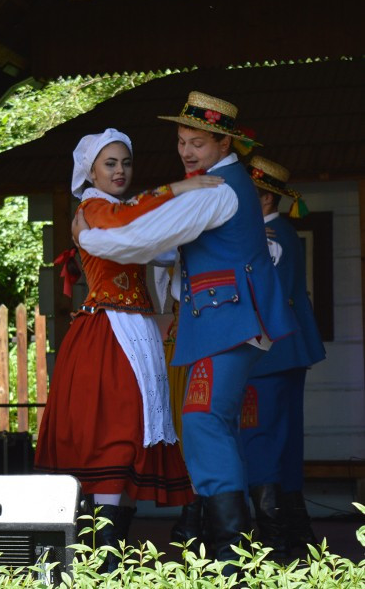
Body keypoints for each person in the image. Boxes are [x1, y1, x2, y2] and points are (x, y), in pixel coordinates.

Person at [73, 92, 298, 570]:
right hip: (223, 323)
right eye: (181, 141)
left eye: (198, 142)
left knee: (202, 424)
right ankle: (232, 554)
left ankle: (231, 559)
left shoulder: (216, 190)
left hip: (226, 322)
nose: (187, 152)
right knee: (212, 427)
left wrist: (89, 235)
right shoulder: (224, 187)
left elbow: (139, 238)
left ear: (224, 142)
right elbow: (169, 248)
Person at [33, 129, 220, 564]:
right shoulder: (95, 207)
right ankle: (102, 555)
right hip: (106, 335)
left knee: (134, 434)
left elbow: (162, 247)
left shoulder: (128, 212)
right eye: (110, 164)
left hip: (138, 332)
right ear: (91, 171)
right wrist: (179, 187)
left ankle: (107, 553)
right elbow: (129, 226)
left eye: (125, 163)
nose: (119, 171)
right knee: (113, 434)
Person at [240, 156, 326, 556]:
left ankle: (273, 541)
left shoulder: (268, 238)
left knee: (260, 440)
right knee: (286, 442)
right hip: (290, 350)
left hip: (266, 354)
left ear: (264, 198)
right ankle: (298, 535)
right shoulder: (283, 233)